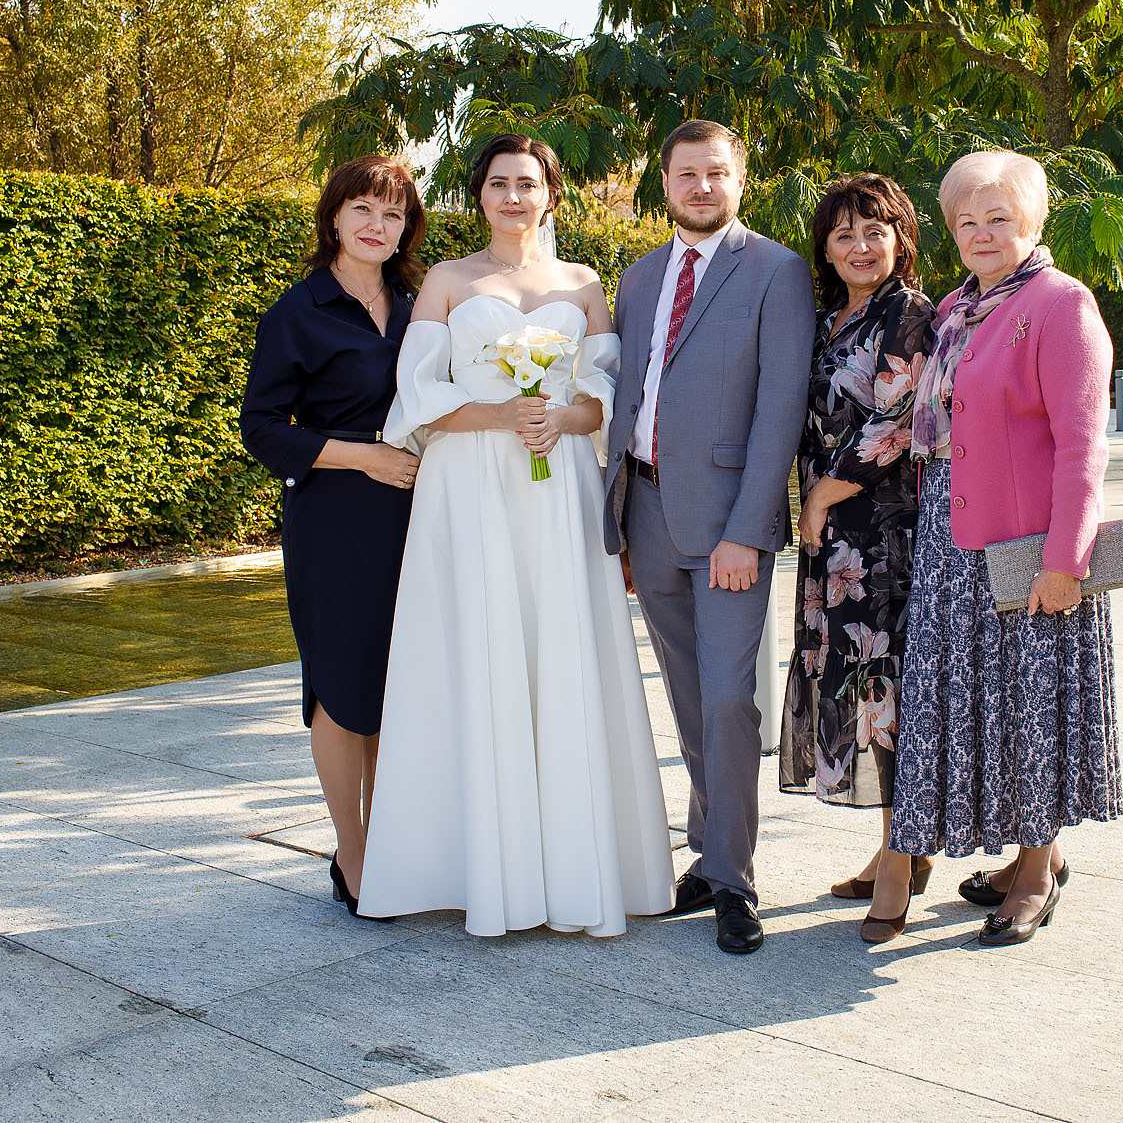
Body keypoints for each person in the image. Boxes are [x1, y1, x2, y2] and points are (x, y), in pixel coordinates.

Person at [355, 133, 673, 936]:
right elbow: (416, 393)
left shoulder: (584, 282)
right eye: (497, 183)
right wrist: (500, 413)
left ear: (551, 195)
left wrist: (564, 416)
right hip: (470, 483)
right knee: (478, 648)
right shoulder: (448, 280)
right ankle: (470, 864)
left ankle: (573, 867)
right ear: (479, 194)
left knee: (561, 649)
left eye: (527, 183)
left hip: (557, 479)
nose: (512, 197)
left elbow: (608, 390)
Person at [887, 149, 1121, 946]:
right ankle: (1024, 853)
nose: (982, 232)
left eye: (999, 218)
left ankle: (1036, 867)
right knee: (980, 707)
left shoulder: (1061, 305)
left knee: (1030, 705)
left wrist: (1066, 560)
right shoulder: (957, 307)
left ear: (1033, 222)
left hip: (1030, 549)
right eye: (966, 220)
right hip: (953, 547)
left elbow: (1082, 444)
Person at [602, 118, 815, 955]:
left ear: (740, 179)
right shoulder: (639, 277)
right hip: (645, 512)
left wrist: (747, 529)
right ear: (664, 183)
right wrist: (617, 517)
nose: (700, 186)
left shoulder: (776, 270)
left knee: (731, 700)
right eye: (686, 173)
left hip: (729, 526)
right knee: (687, 698)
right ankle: (710, 847)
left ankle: (733, 876)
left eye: (715, 173)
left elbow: (778, 412)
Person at [240, 155, 425, 917]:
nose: (376, 225)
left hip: (418, 516)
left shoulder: (420, 305)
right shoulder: (299, 310)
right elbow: (261, 429)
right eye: (363, 210)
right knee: (341, 686)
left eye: (392, 213)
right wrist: (365, 457)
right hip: (336, 515)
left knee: (397, 683)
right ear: (334, 217)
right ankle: (350, 851)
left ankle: (391, 838)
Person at [777, 174, 937, 944]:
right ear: (825, 248)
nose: (861, 246)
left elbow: (893, 422)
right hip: (834, 538)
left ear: (902, 238)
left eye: (875, 230)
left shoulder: (908, 313)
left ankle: (903, 862)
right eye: (844, 234)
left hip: (882, 532)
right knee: (861, 687)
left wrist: (816, 499)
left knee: (887, 695)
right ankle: (893, 843)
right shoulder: (824, 318)